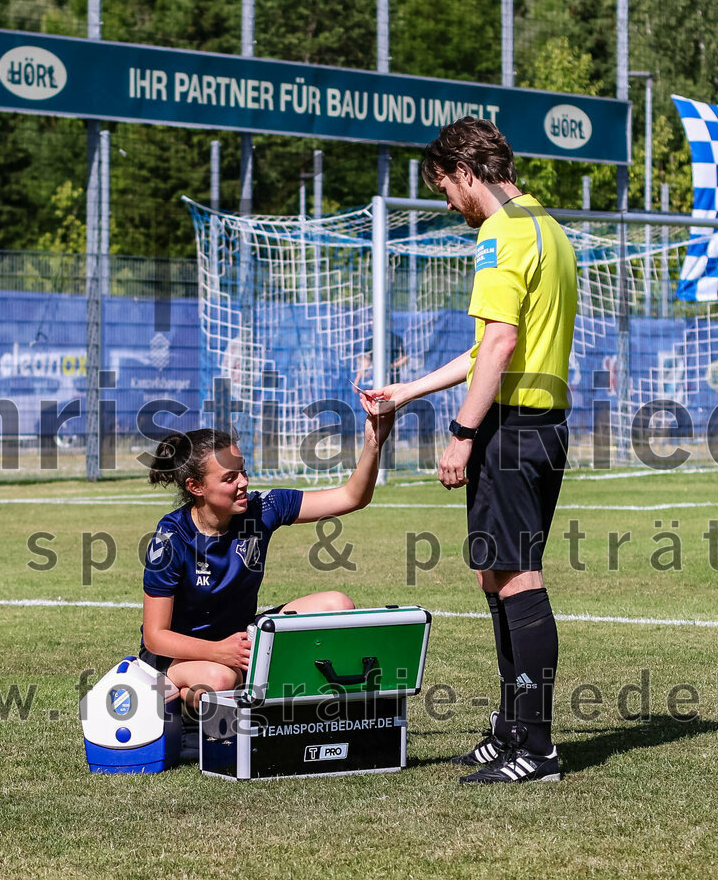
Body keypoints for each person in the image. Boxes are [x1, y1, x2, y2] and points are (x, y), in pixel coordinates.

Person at [362, 117, 577, 784]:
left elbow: (502, 347)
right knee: (495, 572)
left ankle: (536, 750)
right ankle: (513, 729)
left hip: (512, 428)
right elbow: (491, 345)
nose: (444, 201)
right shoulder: (543, 223)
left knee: (517, 576)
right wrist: (410, 390)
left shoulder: (499, 235)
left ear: (464, 171)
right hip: (537, 424)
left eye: (443, 186)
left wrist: (460, 432)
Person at [140, 401, 393, 713]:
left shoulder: (263, 509)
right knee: (220, 679)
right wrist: (218, 651)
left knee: (337, 604)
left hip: (241, 643)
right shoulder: (172, 539)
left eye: (243, 471)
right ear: (196, 486)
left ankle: (298, 703)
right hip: (181, 655)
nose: (243, 482)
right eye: (229, 478)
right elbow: (155, 637)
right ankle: (178, 694)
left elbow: (352, 497)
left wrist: (373, 441)